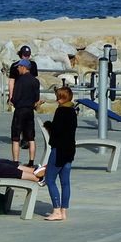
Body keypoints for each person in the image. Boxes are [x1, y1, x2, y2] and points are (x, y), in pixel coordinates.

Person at [42, 86, 77, 221]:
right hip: (70, 150)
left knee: (50, 179)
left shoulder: (61, 111)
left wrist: (48, 125)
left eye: (58, 96)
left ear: (61, 98)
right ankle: (63, 211)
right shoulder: (73, 111)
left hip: (59, 150)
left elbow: (56, 130)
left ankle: (56, 210)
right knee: (65, 182)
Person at [10, 58, 42, 167]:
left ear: (24, 67)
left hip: (20, 111)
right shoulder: (35, 81)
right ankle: (31, 162)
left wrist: (12, 101)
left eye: (19, 67)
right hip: (30, 111)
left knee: (15, 138)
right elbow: (37, 98)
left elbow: (15, 97)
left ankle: (15, 162)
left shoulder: (20, 81)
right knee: (31, 138)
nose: (18, 69)